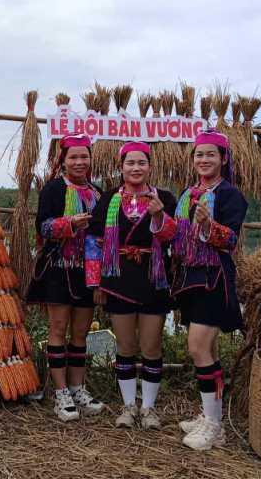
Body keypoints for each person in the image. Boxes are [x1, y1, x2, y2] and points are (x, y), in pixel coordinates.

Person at [85, 142, 177, 430]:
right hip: (118, 278)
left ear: (150, 167)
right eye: (130, 163)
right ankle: (128, 406)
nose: (136, 168)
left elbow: (174, 239)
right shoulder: (109, 199)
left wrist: (159, 215)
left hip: (153, 278)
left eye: (141, 163)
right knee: (125, 345)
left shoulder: (165, 198)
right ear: (121, 167)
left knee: (151, 346)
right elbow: (93, 241)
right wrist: (95, 282)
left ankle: (148, 408)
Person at [171, 129, 248, 451]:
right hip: (190, 277)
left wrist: (207, 225)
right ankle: (210, 416)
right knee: (209, 351)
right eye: (199, 155)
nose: (204, 160)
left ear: (223, 159)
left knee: (198, 348)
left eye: (210, 155)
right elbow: (176, 236)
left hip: (214, 280)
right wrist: (159, 217)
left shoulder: (231, 195)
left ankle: (214, 427)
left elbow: (231, 241)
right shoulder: (188, 194)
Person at [26, 133, 104, 421]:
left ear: (90, 159)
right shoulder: (53, 189)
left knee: (81, 332)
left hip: (88, 270)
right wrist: (69, 223)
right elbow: (43, 227)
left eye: (84, 156)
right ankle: (61, 394)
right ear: (63, 161)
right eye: (74, 157)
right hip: (59, 268)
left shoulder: (97, 193)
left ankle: (77, 387)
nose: (79, 162)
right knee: (58, 328)